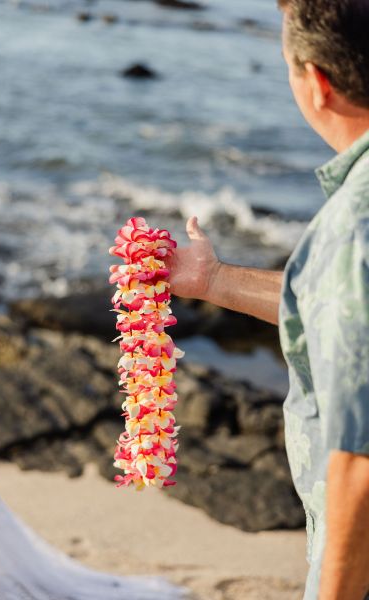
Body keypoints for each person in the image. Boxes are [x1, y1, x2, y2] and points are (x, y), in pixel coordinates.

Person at [167, 1, 369, 599]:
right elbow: (345, 305)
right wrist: (215, 282)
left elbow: (360, 459)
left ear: (318, 83)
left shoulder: (354, 224)